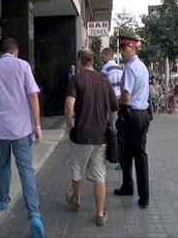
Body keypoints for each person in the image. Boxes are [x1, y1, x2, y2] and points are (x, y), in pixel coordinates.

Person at [0, 38, 45, 238]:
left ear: (1, 53)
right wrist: (37, 126)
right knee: (26, 170)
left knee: (2, 164)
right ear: (16, 52)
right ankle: (34, 214)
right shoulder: (23, 66)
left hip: (0, 130)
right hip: (21, 129)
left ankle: (2, 200)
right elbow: (33, 95)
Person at [65, 49, 118, 226]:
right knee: (99, 175)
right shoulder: (104, 80)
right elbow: (115, 109)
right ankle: (100, 213)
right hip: (101, 136)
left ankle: (77, 199)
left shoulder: (76, 79)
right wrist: (110, 125)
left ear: (80, 61)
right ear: (93, 61)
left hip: (81, 134)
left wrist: (69, 124)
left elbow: (69, 104)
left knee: (77, 169)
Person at [114, 36, 151, 208]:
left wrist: (114, 101)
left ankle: (128, 186)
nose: (122, 52)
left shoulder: (130, 69)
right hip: (144, 114)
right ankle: (144, 196)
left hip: (132, 115)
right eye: (122, 49)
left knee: (127, 154)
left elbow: (126, 96)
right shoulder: (142, 66)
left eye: (124, 49)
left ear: (132, 49)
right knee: (141, 155)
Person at [100, 47, 123, 170]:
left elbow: (101, 87)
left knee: (109, 129)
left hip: (108, 103)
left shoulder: (105, 69)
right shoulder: (120, 68)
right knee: (117, 130)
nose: (101, 58)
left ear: (107, 55)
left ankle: (110, 155)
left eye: (102, 56)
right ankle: (118, 158)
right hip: (118, 102)